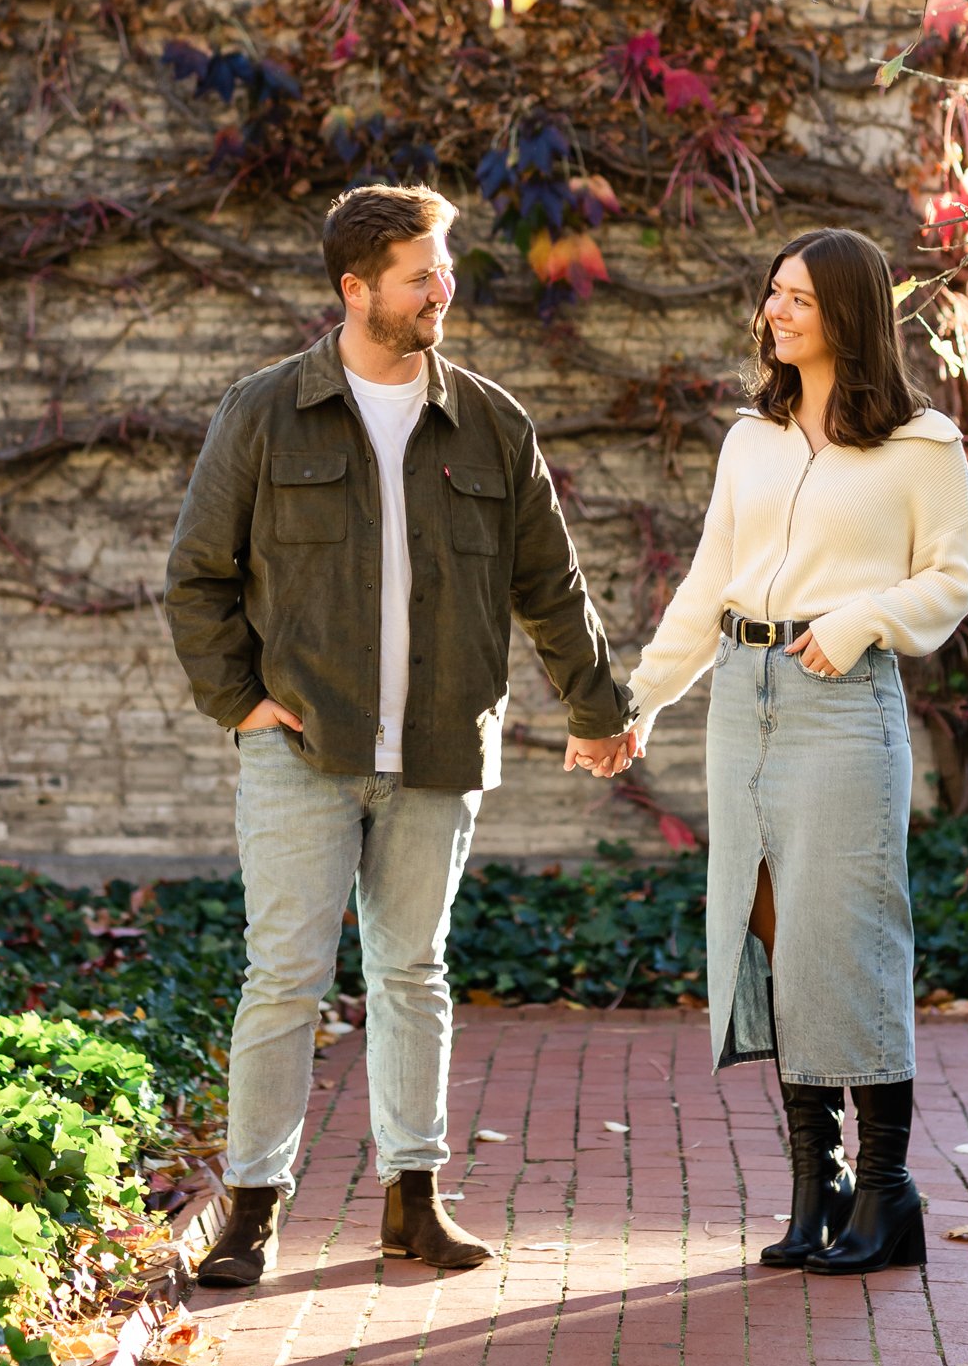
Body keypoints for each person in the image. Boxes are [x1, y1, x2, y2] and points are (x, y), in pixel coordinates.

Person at [166, 183, 635, 1287]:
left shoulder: (489, 421)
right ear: (355, 288)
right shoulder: (265, 412)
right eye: (422, 273)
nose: (444, 289)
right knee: (283, 978)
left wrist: (597, 708)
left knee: (413, 973)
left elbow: (549, 586)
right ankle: (250, 1207)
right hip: (302, 747)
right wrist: (239, 701)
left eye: (446, 270)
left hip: (436, 749)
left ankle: (413, 1200)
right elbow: (197, 577)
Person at [628, 228, 968, 1274]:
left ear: (849, 315)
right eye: (771, 294)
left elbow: (950, 579)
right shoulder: (753, 437)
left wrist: (864, 616)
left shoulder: (919, 445)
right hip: (744, 697)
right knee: (773, 934)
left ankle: (886, 1190)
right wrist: (640, 700)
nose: (774, 312)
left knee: (846, 939)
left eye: (798, 300)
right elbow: (706, 586)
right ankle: (811, 1185)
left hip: (840, 701)